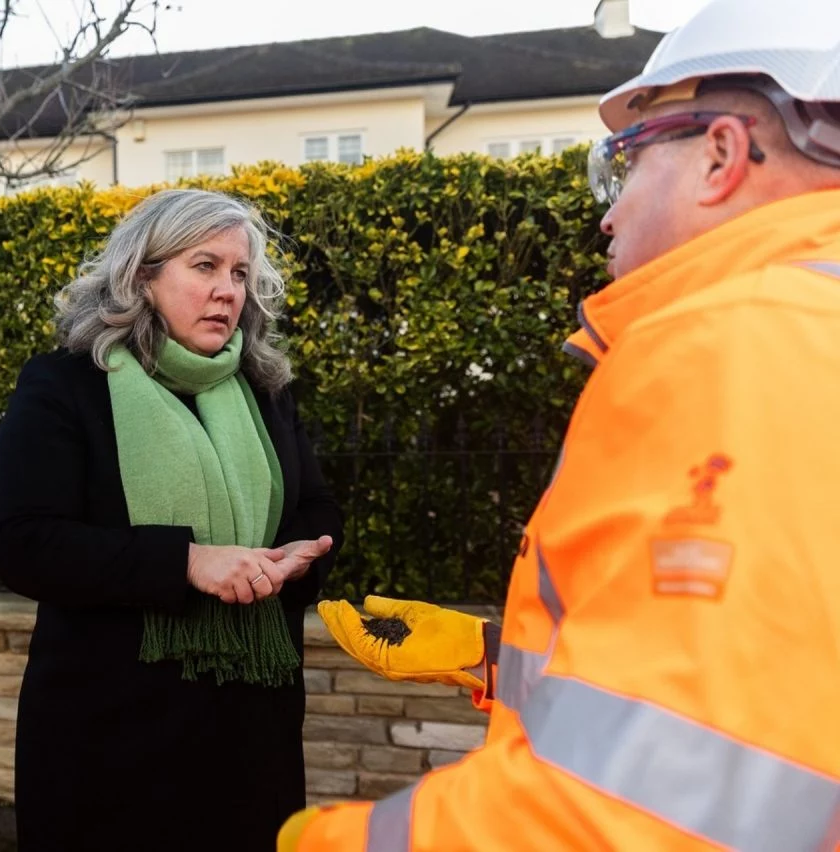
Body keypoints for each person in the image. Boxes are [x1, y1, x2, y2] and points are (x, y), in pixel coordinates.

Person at [278, 0, 840, 849]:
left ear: (721, 155)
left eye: (625, 164)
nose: (607, 213)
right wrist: (490, 654)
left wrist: (336, 844)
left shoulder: (745, 339)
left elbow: (650, 804)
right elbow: (773, 687)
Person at [0, 188, 345, 852]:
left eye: (240, 273)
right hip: (110, 738)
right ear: (142, 277)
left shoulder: (263, 390)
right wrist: (187, 562)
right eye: (204, 266)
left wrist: (297, 556)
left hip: (250, 734)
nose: (227, 291)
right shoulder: (67, 385)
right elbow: (23, 540)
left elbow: (317, 507)